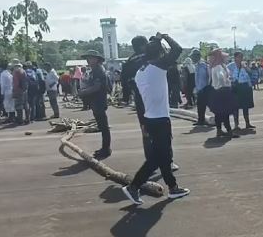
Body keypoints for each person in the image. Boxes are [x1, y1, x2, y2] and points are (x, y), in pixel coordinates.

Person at [122, 33, 190, 205]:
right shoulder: (158, 67)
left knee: (163, 156)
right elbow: (178, 49)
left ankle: (173, 187)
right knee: (157, 159)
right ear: (159, 54)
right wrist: (165, 36)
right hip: (160, 119)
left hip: (150, 118)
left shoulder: (140, 71)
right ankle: (134, 186)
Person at [78, 50, 112, 159]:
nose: (88, 60)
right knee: (102, 126)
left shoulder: (98, 70)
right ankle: (105, 148)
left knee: (104, 127)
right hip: (96, 101)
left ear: (97, 59)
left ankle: (106, 149)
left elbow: (97, 87)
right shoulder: (94, 70)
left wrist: (84, 92)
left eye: (90, 58)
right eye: (87, 58)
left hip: (99, 101)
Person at [209, 48, 240, 138]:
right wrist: (226, 82)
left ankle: (219, 130)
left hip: (218, 92)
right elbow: (221, 77)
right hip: (222, 91)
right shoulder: (218, 67)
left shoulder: (219, 66)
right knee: (224, 112)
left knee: (219, 113)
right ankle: (229, 131)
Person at [229, 51, 255, 130]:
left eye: (241, 57)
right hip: (236, 87)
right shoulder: (230, 66)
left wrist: (245, 67)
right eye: (239, 56)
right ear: (235, 57)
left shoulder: (244, 65)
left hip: (245, 87)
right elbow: (227, 76)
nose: (241, 58)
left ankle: (247, 123)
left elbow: (250, 72)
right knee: (235, 107)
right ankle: (236, 125)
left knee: (245, 106)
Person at [11, 59, 29, 125]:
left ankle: (20, 120)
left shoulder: (16, 72)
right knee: (25, 105)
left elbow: (16, 83)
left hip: (18, 91)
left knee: (18, 106)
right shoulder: (23, 71)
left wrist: (14, 91)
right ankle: (27, 119)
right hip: (24, 90)